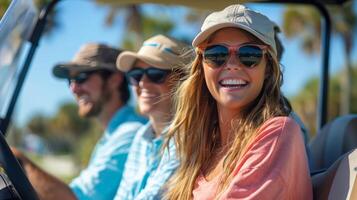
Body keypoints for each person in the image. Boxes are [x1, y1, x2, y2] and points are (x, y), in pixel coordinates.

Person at [164, 4, 312, 199]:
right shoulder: (203, 147)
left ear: (268, 68)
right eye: (216, 54)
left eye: (249, 54)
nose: (232, 65)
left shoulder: (279, 133)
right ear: (202, 66)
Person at [12, 43, 146, 200]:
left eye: (82, 77)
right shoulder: (112, 136)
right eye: (70, 80)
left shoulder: (131, 133)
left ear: (114, 79)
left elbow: (77, 198)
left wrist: (18, 160)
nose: (73, 89)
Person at [113, 34, 191, 199]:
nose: (142, 83)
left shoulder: (190, 137)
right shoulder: (141, 137)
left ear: (184, 80)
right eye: (136, 75)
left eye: (155, 74)